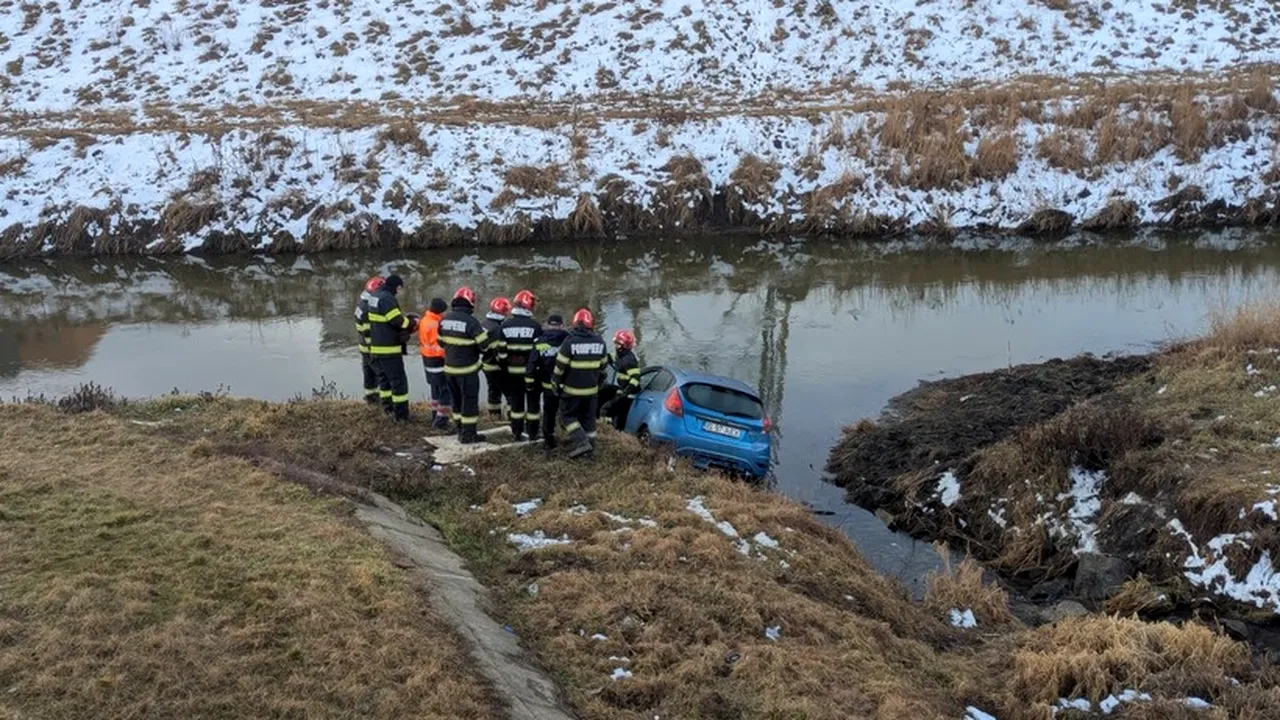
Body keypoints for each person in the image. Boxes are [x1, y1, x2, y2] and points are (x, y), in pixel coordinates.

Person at [439, 286, 496, 444]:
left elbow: (440, 342)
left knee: (456, 401)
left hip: (449, 370)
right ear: (471, 303)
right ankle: (469, 435)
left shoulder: (445, 319)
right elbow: (484, 346)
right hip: (467, 371)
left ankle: (459, 429)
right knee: (469, 403)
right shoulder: (472, 322)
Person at [552, 308, 608, 459]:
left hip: (572, 391)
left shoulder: (569, 342)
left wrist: (555, 384)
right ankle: (590, 451)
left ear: (575, 324)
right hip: (591, 391)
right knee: (589, 420)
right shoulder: (600, 342)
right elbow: (603, 366)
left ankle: (582, 442)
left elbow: (559, 368)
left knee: (567, 417)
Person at [367, 274, 415, 421]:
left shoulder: (375, 296)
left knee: (385, 381)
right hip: (389, 348)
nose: (399, 292)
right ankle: (401, 416)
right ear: (396, 287)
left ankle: (388, 409)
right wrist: (411, 323)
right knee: (398, 382)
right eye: (399, 288)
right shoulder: (387, 298)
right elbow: (396, 320)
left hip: (376, 347)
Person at [497, 289, 542, 441]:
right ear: (529, 306)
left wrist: (505, 367)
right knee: (533, 403)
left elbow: (501, 352)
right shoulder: (535, 327)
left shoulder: (504, 326)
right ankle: (533, 432)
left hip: (512, 373)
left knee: (516, 403)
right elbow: (541, 349)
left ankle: (516, 432)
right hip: (531, 373)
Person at [528, 314, 568, 452]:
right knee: (566, 411)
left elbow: (532, 365)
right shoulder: (568, 339)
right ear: (561, 325)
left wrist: (530, 383)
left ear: (548, 325)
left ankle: (549, 441)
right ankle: (568, 437)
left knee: (548, 412)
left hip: (547, 385)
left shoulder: (540, 342)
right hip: (565, 385)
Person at [418, 298, 452, 430]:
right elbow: (440, 345)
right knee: (445, 390)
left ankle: (435, 415)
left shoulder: (424, 320)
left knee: (435, 389)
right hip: (438, 359)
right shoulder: (436, 324)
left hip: (427, 359)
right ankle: (441, 421)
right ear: (440, 311)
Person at [355, 275, 385, 407]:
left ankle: (371, 398)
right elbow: (369, 331)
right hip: (370, 347)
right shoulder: (368, 308)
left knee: (368, 374)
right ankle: (380, 400)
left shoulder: (362, 302)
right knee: (380, 373)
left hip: (363, 346)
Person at [603, 329, 641, 431]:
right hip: (622, 389)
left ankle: (610, 431)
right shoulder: (620, 355)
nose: (615, 346)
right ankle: (611, 429)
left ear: (623, 345)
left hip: (628, 395)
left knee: (609, 410)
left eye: (617, 344)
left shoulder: (629, 360)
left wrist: (625, 392)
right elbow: (610, 358)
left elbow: (636, 378)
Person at [481, 297, 510, 418]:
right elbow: (500, 352)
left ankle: (494, 416)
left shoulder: (484, 323)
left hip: (486, 364)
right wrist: (506, 365)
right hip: (497, 366)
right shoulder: (498, 329)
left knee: (493, 391)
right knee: (510, 393)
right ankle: (512, 417)